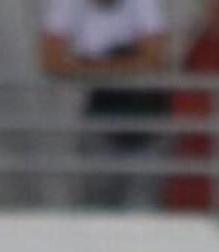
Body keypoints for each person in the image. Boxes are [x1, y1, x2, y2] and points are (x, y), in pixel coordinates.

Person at [41, 0, 177, 209]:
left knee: (142, 206)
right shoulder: (67, 5)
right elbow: (51, 59)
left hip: (143, 113)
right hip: (97, 113)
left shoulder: (142, 4)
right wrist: (124, 66)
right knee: (95, 202)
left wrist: (88, 65)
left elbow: (155, 57)